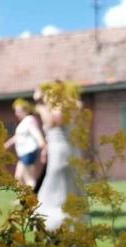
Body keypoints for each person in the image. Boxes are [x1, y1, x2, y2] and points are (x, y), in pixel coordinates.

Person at [34, 87, 82, 231]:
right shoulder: (71, 105)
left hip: (62, 154)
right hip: (65, 151)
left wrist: (41, 107)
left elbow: (54, 121)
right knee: (65, 190)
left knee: (55, 190)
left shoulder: (56, 108)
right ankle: (68, 224)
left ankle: (54, 225)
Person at [4, 98, 46, 189]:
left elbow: (36, 131)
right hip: (23, 154)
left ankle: (34, 198)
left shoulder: (30, 119)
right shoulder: (22, 123)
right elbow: (17, 137)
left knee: (29, 179)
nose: (16, 113)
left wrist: (41, 143)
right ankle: (25, 198)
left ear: (26, 110)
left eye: (18, 111)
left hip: (29, 153)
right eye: (15, 111)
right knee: (18, 178)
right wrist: (6, 145)